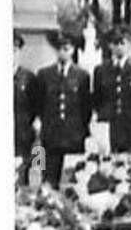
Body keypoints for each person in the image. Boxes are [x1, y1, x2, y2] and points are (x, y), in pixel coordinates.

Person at [35, 30, 91, 189]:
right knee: (48, 180)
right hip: (50, 136)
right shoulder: (44, 74)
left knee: (72, 183)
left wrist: (81, 130)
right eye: (60, 48)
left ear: (73, 50)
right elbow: (38, 103)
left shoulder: (82, 76)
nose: (63, 52)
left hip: (73, 137)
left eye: (67, 48)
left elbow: (85, 107)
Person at [92, 26, 131, 156]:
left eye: (123, 43)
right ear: (110, 46)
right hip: (108, 125)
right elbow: (97, 98)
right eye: (115, 43)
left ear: (130, 45)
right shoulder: (101, 70)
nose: (119, 47)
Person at [13, 33, 38, 185]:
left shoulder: (28, 77)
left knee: (23, 179)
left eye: (14, 50)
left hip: (23, 137)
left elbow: (36, 106)